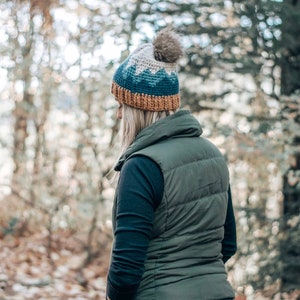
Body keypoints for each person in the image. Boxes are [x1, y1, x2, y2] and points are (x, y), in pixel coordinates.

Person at [106, 27, 237, 300]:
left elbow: (126, 270)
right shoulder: (212, 155)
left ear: (139, 108)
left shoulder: (142, 165)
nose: (119, 115)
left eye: (122, 105)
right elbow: (228, 244)